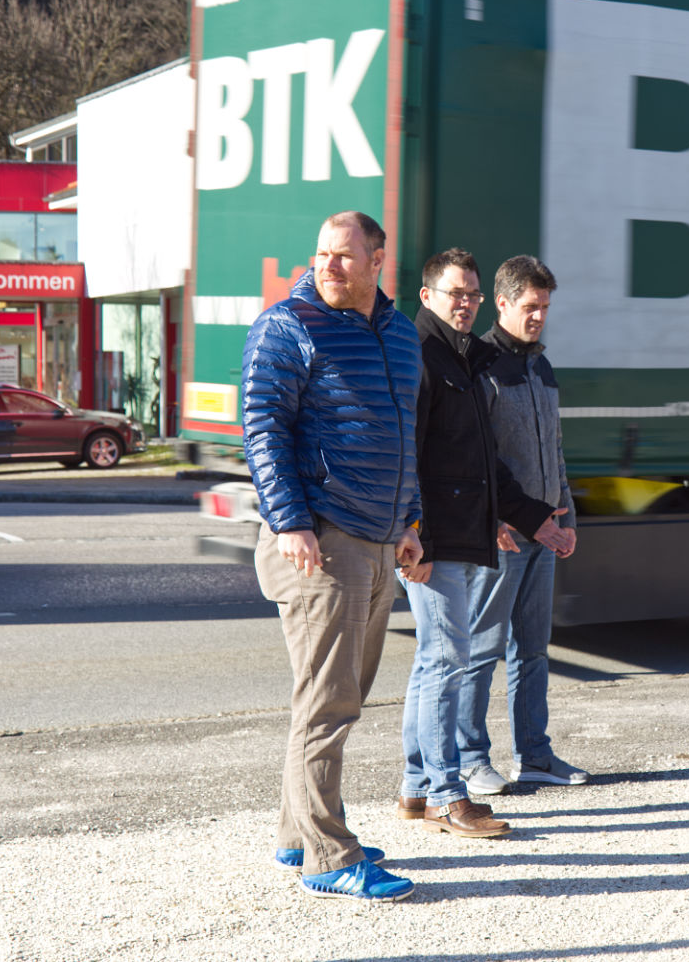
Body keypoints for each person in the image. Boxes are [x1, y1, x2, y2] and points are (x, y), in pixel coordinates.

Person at [242, 210, 422, 903]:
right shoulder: (288, 326)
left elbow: (404, 433)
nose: (329, 267)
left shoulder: (401, 335)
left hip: (378, 539)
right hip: (321, 540)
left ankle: (299, 833)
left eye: (345, 256)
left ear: (378, 259)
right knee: (327, 704)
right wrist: (289, 521)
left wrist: (410, 519)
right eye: (322, 255)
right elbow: (262, 424)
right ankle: (327, 854)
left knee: (332, 698)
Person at [398, 248, 575, 839]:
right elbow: (412, 454)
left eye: (470, 293)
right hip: (443, 538)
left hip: (478, 528)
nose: (465, 303)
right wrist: (415, 532)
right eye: (457, 293)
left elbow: (490, 464)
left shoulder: (471, 360)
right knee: (451, 660)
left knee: (440, 663)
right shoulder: (432, 358)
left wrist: (545, 517)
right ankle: (452, 786)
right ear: (428, 296)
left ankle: (418, 787)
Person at [457, 255, 587, 795]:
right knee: (481, 650)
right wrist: (490, 520)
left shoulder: (540, 366)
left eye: (546, 308)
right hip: (505, 535)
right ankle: (468, 758)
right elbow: (472, 457)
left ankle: (534, 754)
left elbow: (554, 448)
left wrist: (569, 513)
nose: (539, 317)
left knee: (532, 650)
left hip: (547, 531)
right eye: (530, 307)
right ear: (503, 303)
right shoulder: (480, 365)